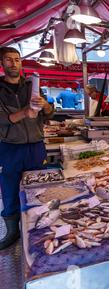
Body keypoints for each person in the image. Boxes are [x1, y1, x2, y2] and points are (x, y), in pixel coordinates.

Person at [0, 47, 54, 250]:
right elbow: (3, 119)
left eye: (17, 59)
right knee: (10, 190)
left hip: (36, 147)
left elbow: (48, 113)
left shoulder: (33, 85)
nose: (14, 63)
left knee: (40, 190)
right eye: (8, 60)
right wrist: (25, 112)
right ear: (2, 63)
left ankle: (39, 229)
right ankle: (12, 232)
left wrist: (46, 106)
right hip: (10, 147)